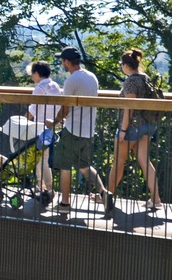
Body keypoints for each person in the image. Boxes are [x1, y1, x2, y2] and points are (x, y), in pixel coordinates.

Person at [48, 47, 109, 215]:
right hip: (88, 131)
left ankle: (65, 204)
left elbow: (65, 108)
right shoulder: (91, 77)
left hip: (73, 130)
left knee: (65, 166)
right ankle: (104, 194)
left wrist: (54, 122)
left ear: (67, 62)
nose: (62, 64)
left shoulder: (71, 81)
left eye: (62, 61)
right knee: (84, 166)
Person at [106, 48, 162, 213]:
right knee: (145, 161)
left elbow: (129, 107)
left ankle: (106, 197)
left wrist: (123, 130)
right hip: (147, 124)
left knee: (118, 162)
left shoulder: (131, 81)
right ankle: (156, 199)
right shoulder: (145, 78)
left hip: (132, 126)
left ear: (125, 65)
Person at [26, 61, 62, 193]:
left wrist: (23, 121)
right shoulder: (55, 85)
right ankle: (42, 185)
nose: (32, 77)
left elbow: (33, 110)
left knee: (40, 158)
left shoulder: (39, 88)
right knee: (42, 157)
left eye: (32, 74)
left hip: (41, 126)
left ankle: (47, 187)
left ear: (37, 73)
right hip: (53, 125)